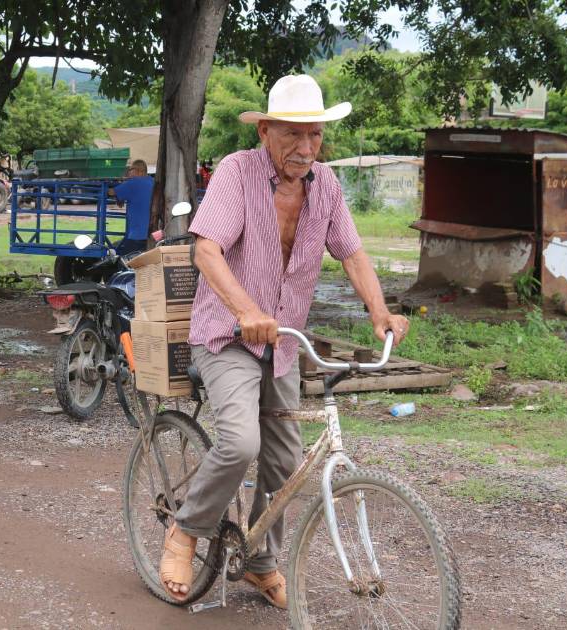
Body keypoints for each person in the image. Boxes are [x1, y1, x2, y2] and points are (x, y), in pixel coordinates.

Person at [158, 75, 410, 608]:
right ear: (265, 131)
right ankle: (186, 530)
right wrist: (246, 310)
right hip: (227, 336)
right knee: (240, 443)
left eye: (315, 134)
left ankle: (260, 561)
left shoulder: (326, 186)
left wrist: (380, 311)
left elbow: (351, 252)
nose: (305, 147)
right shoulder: (237, 172)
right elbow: (206, 251)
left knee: (285, 463)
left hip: (284, 344)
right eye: (293, 134)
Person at [110, 159, 154, 255]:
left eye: (131, 170)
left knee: (124, 260)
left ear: (139, 171)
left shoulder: (133, 183)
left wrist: (115, 194)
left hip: (138, 235)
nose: (129, 173)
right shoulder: (152, 181)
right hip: (153, 234)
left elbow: (111, 192)